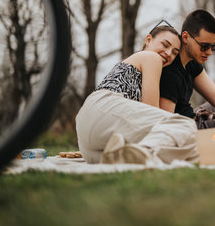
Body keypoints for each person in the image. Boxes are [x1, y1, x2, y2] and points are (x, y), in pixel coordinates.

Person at [76, 22, 199, 165]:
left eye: (175, 52)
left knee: (129, 157)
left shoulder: (135, 62)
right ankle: (146, 151)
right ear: (148, 40)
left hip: (88, 139)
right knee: (185, 125)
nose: (168, 53)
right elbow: (152, 110)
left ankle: (134, 152)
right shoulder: (151, 58)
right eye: (165, 45)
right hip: (104, 106)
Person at [159, 9, 215, 129]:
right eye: (205, 46)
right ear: (185, 37)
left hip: (193, 117)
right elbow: (167, 124)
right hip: (187, 128)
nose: (209, 52)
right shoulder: (170, 71)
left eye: (213, 46)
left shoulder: (192, 62)